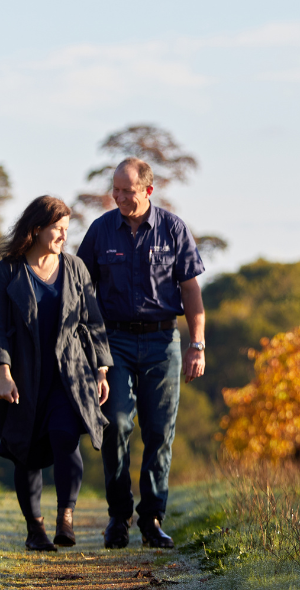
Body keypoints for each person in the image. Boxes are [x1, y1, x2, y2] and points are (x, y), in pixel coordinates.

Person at [77, 157, 206, 549]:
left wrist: (196, 344)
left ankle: (151, 520)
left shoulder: (173, 229)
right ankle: (118, 517)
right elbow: (82, 290)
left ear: (148, 190)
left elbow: (191, 293)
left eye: (126, 191)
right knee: (115, 424)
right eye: (115, 190)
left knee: (159, 432)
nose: (118, 197)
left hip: (162, 341)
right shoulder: (100, 231)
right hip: (113, 342)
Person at [0, 196, 113, 551]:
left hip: (69, 376)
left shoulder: (75, 268)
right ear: (37, 228)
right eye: (58, 229)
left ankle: (65, 517)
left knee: (65, 438)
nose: (63, 237)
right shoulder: (7, 270)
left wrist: (101, 370)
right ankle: (35, 528)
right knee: (25, 450)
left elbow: (93, 322)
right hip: (23, 376)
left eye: (67, 230)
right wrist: (4, 374)